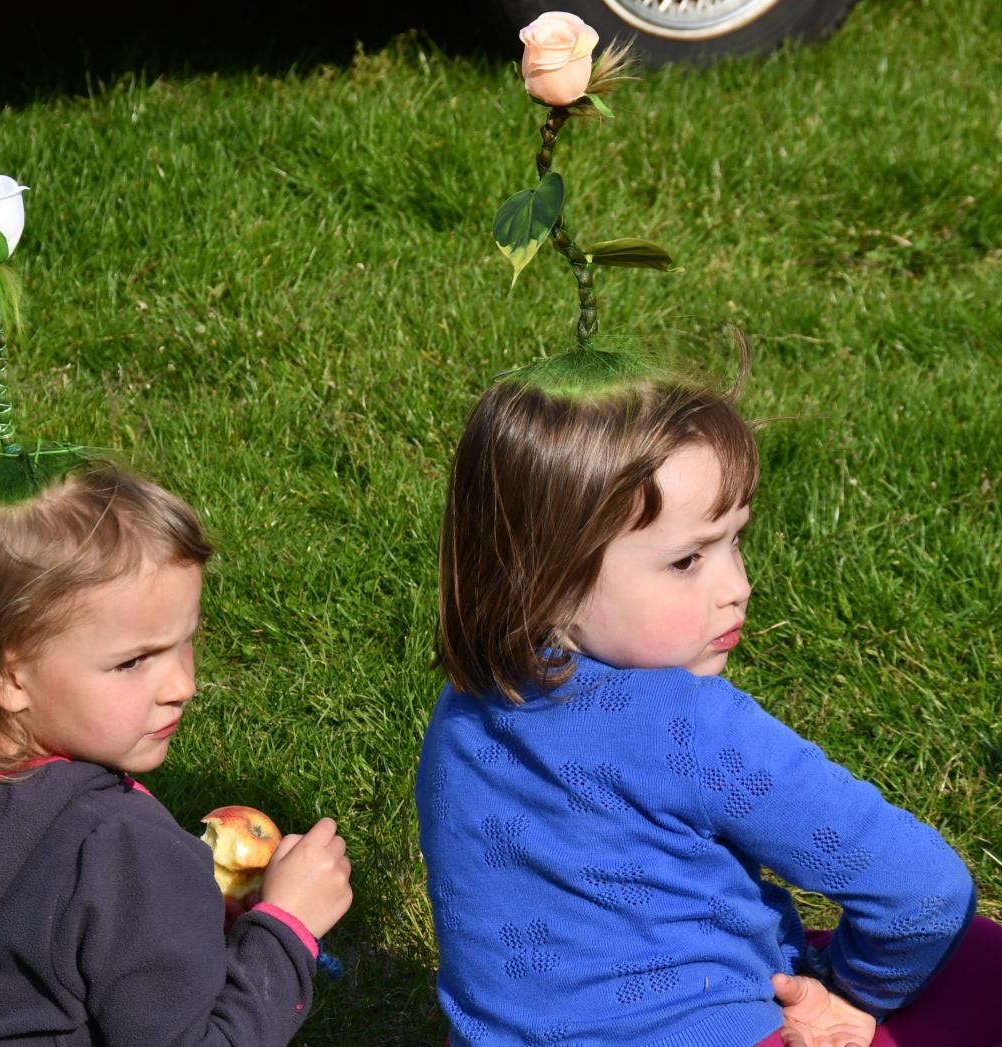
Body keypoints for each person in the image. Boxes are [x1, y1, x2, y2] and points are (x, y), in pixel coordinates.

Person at [415, 344, 1001, 1047]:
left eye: (735, 540)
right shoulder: (690, 726)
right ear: (546, 582)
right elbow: (923, 891)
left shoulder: (464, 706)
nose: (738, 586)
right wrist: (847, 993)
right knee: (982, 962)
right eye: (689, 559)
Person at [0, 461, 353, 1047]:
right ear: (6, 677)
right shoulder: (119, 850)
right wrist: (286, 929)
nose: (183, 685)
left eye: (185, 640)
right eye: (132, 661)